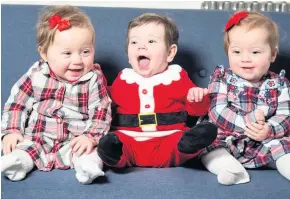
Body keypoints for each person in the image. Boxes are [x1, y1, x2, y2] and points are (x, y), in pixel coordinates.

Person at [1, 5, 112, 184]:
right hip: (39, 136)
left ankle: (88, 166)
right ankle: (18, 163)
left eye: (85, 52)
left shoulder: (93, 79)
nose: (77, 60)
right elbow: (17, 105)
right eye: (67, 53)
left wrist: (91, 136)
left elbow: (101, 110)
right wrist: (11, 132)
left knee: (92, 152)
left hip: (76, 140)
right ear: (44, 53)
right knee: (25, 147)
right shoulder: (36, 75)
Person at [97, 13, 217, 168]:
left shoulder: (176, 77)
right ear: (128, 53)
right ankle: (112, 154)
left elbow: (196, 111)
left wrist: (197, 98)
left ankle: (190, 144)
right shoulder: (124, 78)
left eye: (151, 41)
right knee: (114, 143)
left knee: (179, 142)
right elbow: (107, 100)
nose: (141, 46)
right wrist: (97, 90)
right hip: (129, 139)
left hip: (167, 139)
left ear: (170, 53)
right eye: (134, 42)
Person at [200, 11, 290, 185]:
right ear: (228, 53)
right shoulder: (222, 78)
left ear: (272, 54)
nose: (245, 59)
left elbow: (286, 114)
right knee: (209, 147)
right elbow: (217, 112)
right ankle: (231, 171)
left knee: (284, 147)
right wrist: (249, 122)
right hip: (227, 136)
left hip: (265, 139)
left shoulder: (279, 83)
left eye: (255, 52)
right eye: (237, 52)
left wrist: (269, 130)